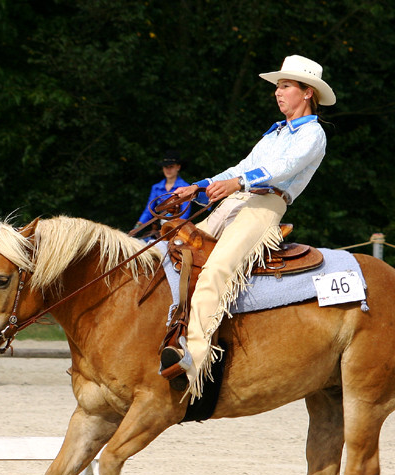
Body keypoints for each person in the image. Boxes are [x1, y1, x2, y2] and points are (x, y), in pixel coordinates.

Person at [161, 55, 335, 398]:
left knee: (216, 272)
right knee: (178, 254)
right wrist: (198, 185)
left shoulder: (313, 134)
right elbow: (244, 165)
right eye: (278, 87)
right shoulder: (277, 132)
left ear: (307, 92)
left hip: (266, 205)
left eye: (285, 86)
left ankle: (194, 361)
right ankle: (167, 332)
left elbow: (284, 169)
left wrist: (239, 183)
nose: (278, 92)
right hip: (238, 200)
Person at [133, 150, 192, 232]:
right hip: (158, 230)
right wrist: (137, 228)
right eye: (165, 167)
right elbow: (148, 211)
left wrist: (172, 228)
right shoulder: (156, 188)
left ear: (178, 167)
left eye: (171, 167)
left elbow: (185, 213)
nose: (168, 170)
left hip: (177, 230)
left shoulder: (185, 187)